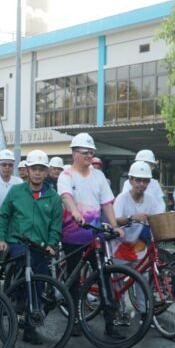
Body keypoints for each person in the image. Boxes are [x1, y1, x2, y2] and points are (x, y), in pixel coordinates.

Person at [0, 150, 65, 343]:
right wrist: (1, 239)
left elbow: (55, 225)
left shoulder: (53, 197)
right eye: (34, 168)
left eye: (41, 169)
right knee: (25, 266)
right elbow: (4, 216)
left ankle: (30, 324)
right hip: (18, 243)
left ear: (47, 172)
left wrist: (52, 244)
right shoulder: (16, 192)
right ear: (27, 170)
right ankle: (20, 301)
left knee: (42, 285)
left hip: (41, 247)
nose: (37, 173)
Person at [57, 133, 124, 335]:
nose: (88, 155)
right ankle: (74, 319)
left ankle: (110, 323)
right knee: (74, 279)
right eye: (84, 152)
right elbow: (66, 196)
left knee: (103, 277)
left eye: (91, 152)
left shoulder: (99, 176)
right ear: (74, 153)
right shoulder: (66, 175)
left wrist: (115, 225)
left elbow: (106, 203)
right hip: (72, 235)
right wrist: (75, 211)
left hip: (95, 236)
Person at [112, 161, 165, 265]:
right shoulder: (122, 198)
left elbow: (159, 217)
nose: (142, 184)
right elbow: (115, 220)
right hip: (120, 249)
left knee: (143, 278)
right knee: (121, 280)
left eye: (145, 181)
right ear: (131, 180)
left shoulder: (151, 200)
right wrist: (132, 218)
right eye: (138, 180)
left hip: (140, 249)